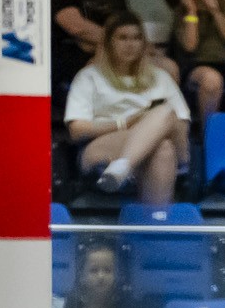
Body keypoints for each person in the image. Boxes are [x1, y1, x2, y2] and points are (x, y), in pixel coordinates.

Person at [64, 14, 189, 205]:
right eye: (122, 38)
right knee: (163, 146)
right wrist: (126, 123)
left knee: (165, 121)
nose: (130, 44)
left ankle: (123, 166)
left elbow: (181, 125)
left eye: (136, 38)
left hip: (164, 145)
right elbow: (77, 131)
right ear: (109, 43)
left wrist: (148, 127)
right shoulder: (89, 77)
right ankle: (156, 220)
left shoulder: (160, 77)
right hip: (102, 145)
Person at [50, 0, 129, 115]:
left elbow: (128, 27)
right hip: (71, 59)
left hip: (117, 54)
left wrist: (111, 43)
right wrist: (118, 41)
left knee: (167, 67)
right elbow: (77, 28)